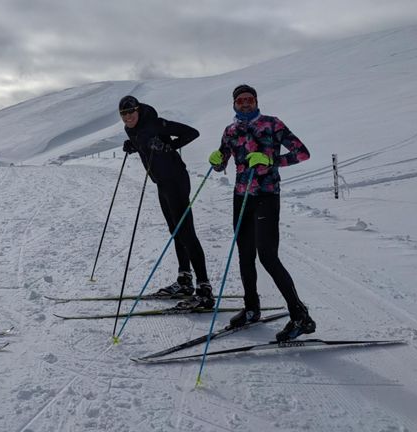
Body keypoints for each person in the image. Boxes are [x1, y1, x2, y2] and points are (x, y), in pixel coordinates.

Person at [208, 84, 315, 341]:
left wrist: (271, 161)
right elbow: (222, 162)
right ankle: (251, 308)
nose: (245, 103)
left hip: (267, 196)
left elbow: (302, 153)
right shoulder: (231, 130)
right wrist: (216, 162)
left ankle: (301, 316)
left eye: (250, 99)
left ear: (256, 102)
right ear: (234, 104)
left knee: (267, 256)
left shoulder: (272, 124)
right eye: (241, 100)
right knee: (245, 254)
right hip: (241, 197)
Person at [119, 95, 214, 309]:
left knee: (186, 232)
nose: (127, 117)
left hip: (176, 180)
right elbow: (146, 144)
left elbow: (192, 133)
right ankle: (184, 281)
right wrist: (133, 145)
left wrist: (168, 147)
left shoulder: (154, 123)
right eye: (123, 114)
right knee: (176, 231)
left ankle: (204, 289)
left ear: (138, 110)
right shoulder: (131, 129)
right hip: (161, 183)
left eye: (130, 112)